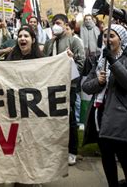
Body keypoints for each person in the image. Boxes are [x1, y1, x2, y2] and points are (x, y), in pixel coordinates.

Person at [82, 24, 127, 187]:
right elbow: (86, 86)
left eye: (112, 36)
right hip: (100, 115)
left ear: (121, 39)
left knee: (125, 158)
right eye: (105, 36)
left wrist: (113, 61)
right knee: (107, 157)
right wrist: (98, 82)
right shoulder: (100, 60)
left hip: (121, 117)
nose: (108, 39)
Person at [44, 14, 85, 166]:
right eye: (53, 23)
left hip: (69, 86)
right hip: (51, 85)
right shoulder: (49, 43)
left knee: (70, 119)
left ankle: (72, 151)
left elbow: (81, 65)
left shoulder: (74, 41)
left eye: (59, 23)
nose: (55, 25)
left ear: (66, 25)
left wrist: (71, 59)